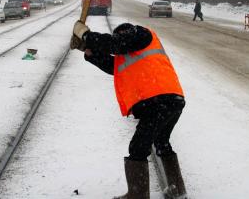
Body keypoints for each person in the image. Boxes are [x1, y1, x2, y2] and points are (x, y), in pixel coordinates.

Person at [71, 21, 186, 199]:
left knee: (138, 147)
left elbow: (114, 44)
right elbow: (113, 67)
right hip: (170, 99)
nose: (118, 39)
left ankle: (138, 195)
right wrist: (90, 51)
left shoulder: (140, 33)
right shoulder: (131, 49)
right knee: (161, 142)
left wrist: (86, 35)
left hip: (158, 100)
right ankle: (177, 190)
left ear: (124, 32)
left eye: (119, 35)